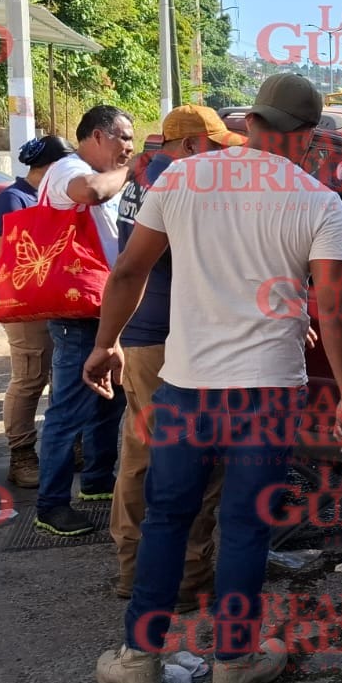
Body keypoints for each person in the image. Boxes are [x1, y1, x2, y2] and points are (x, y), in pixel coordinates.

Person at [87, 74, 342, 683]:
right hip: (268, 393)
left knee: (167, 519)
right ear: (310, 137)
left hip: (186, 388)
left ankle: (138, 663)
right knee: (244, 526)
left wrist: (106, 345)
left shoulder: (183, 178)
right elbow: (336, 307)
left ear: (252, 123)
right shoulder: (319, 202)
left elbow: (130, 269)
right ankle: (234, 666)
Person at [110, 105, 243, 609]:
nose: (220, 159)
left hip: (141, 336)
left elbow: (127, 269)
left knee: (140, 454)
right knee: (196, 463)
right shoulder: (185, 185)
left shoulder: (141, 177)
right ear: (189, 145)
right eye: (213, 147)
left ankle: (131, 569)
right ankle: (187, 579)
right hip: (179, 338)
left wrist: (109, 340)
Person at [34, 105, 135, 537]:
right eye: (122, 138)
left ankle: (96, 481)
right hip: (77, 312)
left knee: (108, 400)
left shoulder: (91, 169)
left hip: (99, 306)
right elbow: (90, 192)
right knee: (67, 411)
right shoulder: (68, 170)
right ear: (97, 136)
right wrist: (131, 174)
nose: (128, 146)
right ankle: (50, 505)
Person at [0, 134, 72, 489]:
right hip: (25, 304)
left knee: (62, 378)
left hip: (56, 302)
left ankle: (68, 448)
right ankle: (21, 455)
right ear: (51, 166)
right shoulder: (13, 198)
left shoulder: (50, 196)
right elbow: (3, 257)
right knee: (30, 377)